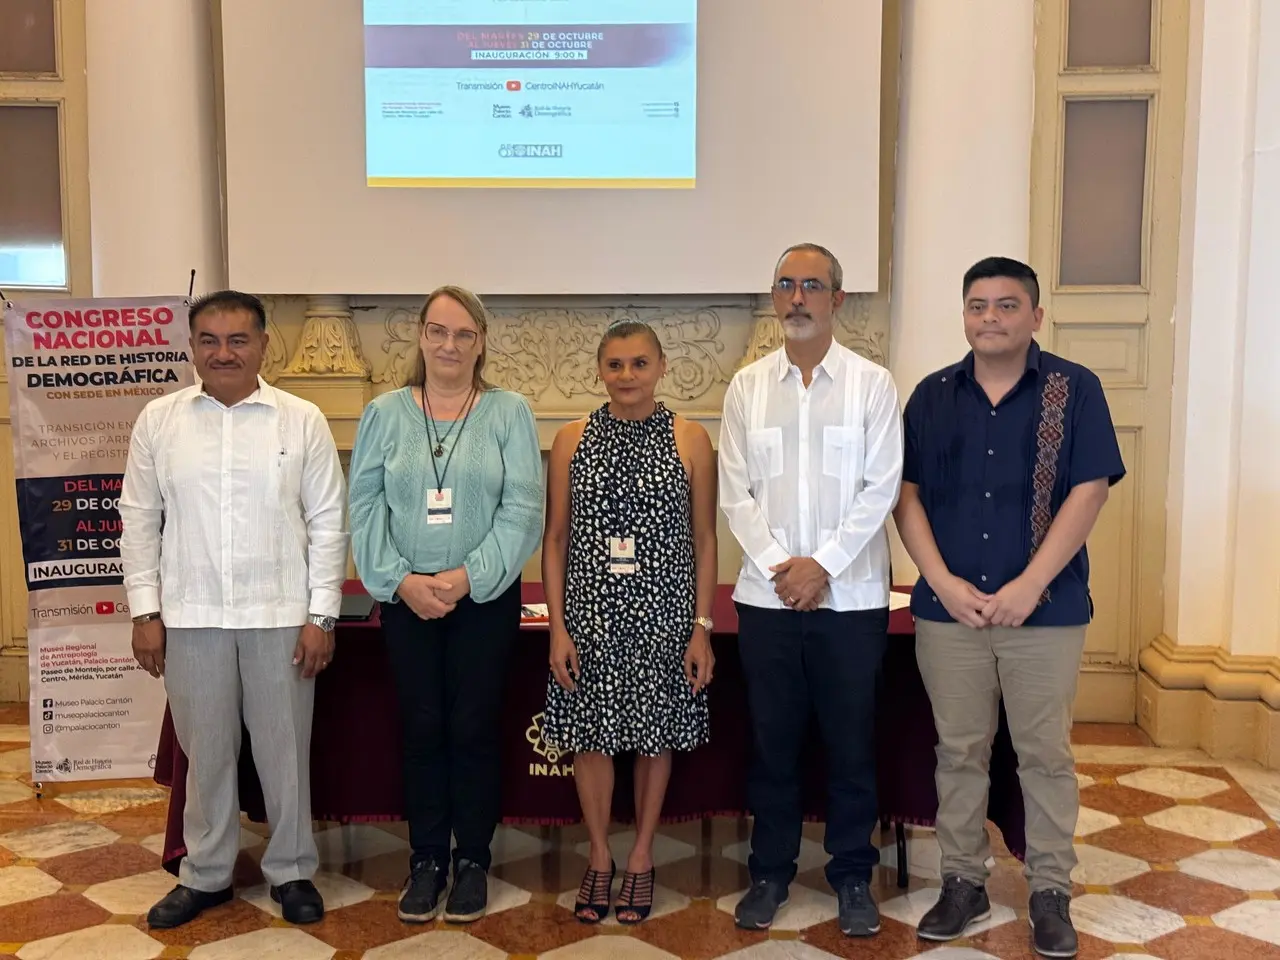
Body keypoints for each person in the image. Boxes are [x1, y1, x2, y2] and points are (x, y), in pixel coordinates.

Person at [895, 257, 1125, 959]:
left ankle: (1050, 890)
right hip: (949, 612)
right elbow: (904, 495)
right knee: (958, 751)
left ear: (1034, 316)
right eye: (976, 306)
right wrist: (938, 579)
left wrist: (1030, 583)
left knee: (1044, 755)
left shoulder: (1072, 390)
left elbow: (1089, 489)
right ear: (963, 315)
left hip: (1045, 613)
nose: (989, 318)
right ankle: (962, 880)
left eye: (1005, 305)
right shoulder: (932, 396)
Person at [120, 290, 348, 929]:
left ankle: (292, 869)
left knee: (284, 752)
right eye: (210, 341)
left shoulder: (299, 419)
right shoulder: (159, 420)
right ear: (191, 347)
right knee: (207, 752)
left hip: (280, 612)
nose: (224, 353)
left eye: (238, 339)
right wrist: (145, 613)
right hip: (190, 616)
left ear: (263, 345)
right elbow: (138, 521)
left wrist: (321, 615)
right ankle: (206, 873)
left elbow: (329, 522)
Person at [719, 243, 903, 937]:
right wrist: (779, 566)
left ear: (837, 300)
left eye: (812, 287)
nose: (798, 298)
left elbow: (880, 486)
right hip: (767, 604)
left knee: (852, 744)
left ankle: (852, 875)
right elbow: (735, 494)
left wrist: (820, 566)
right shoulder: (746, 387)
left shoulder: (871, 385)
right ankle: (769, 872)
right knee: (773, 743)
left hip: (849, 603)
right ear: (774, 297)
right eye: (786, 286)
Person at [348, 284, 543, 925]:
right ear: (421, 336)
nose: (450, 344)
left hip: (483, 598)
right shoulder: (385, 412)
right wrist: (400, 580)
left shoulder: (509, 412)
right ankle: (427, 858)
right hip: (406, 598)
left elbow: (522, 509)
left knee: (474, 728)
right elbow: (366, 506)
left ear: (481, 342)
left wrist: (465, 578)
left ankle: (474, 861)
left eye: (464, 333)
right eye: (439, 331)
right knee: (423, 728)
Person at [542, 320, 717, 925]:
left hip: (665, 614)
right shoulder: (572, 438)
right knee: (590, 738)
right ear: (599, 370)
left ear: (661, 367)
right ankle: (598, 855)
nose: (627, 376)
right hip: (590, 614)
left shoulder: (689, 437)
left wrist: (701, 626)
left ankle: (640, 856)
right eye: (615, 365)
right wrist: (558, 628)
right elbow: (556, 537)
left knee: (653, 736)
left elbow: (703, 538)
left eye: (639, 364)